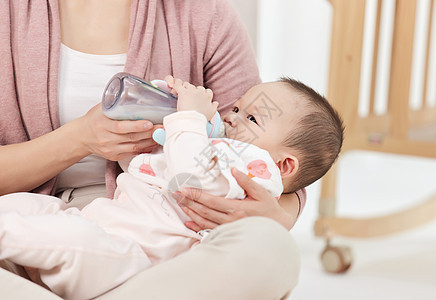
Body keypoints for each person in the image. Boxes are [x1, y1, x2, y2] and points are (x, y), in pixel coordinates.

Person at [0, 0, 304, 299]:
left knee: (272, 248)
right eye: (234, 111)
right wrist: (79, 138)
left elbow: (275, 143)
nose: (232, 116)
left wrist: (275, 216)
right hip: (49, 219)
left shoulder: (205, 14)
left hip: (149, 246)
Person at [0, 75, 344, 299]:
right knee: (26, 208)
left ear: (284, 166)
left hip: (126, 255)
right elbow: (142, 168)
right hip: (94, 220)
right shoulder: (214, 146)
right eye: (236, 107)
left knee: (63, 240)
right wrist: (151, 128)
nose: (232, 117)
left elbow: (189, 177)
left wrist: (188, 120)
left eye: (252, 118)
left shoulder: (253, 169)